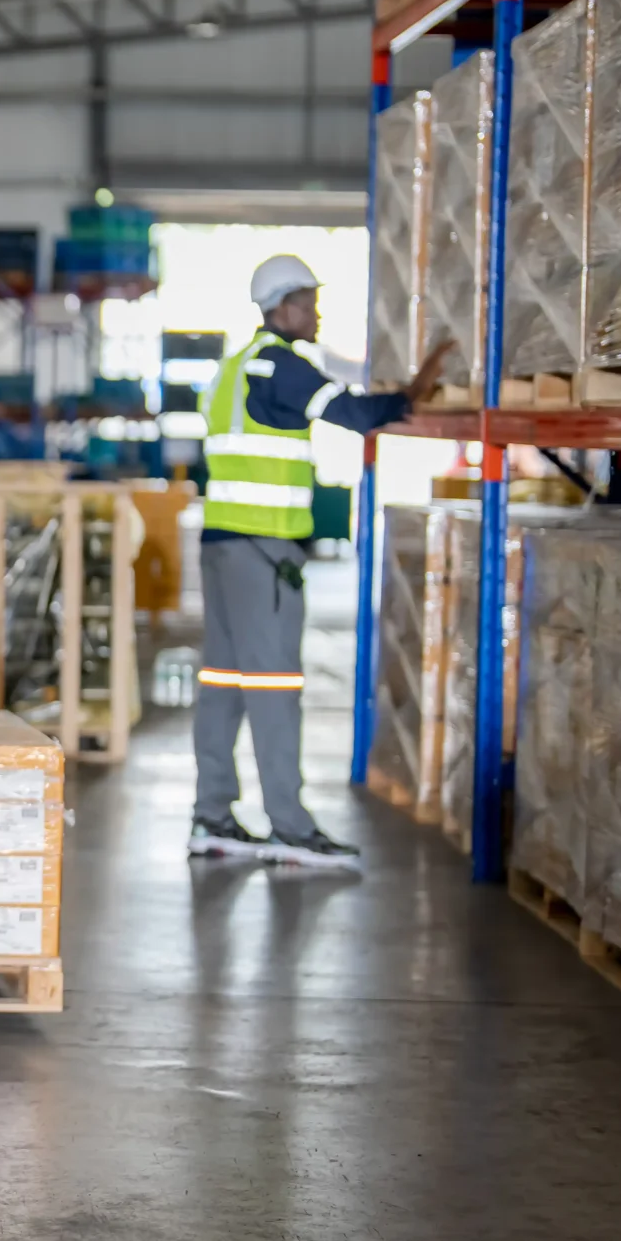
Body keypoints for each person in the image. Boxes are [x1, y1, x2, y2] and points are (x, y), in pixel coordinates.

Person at [190, 254, 449, 867]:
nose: (315, 311)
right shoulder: (282, 366)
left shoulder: (235, 368)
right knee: (276, 685)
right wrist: (412, 393)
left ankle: (213, 816)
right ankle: (290, 825)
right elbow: (357, 416)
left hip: (222, 546)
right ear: (281, 308)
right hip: (263, 552)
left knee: (223, 684)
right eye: (306, 301)